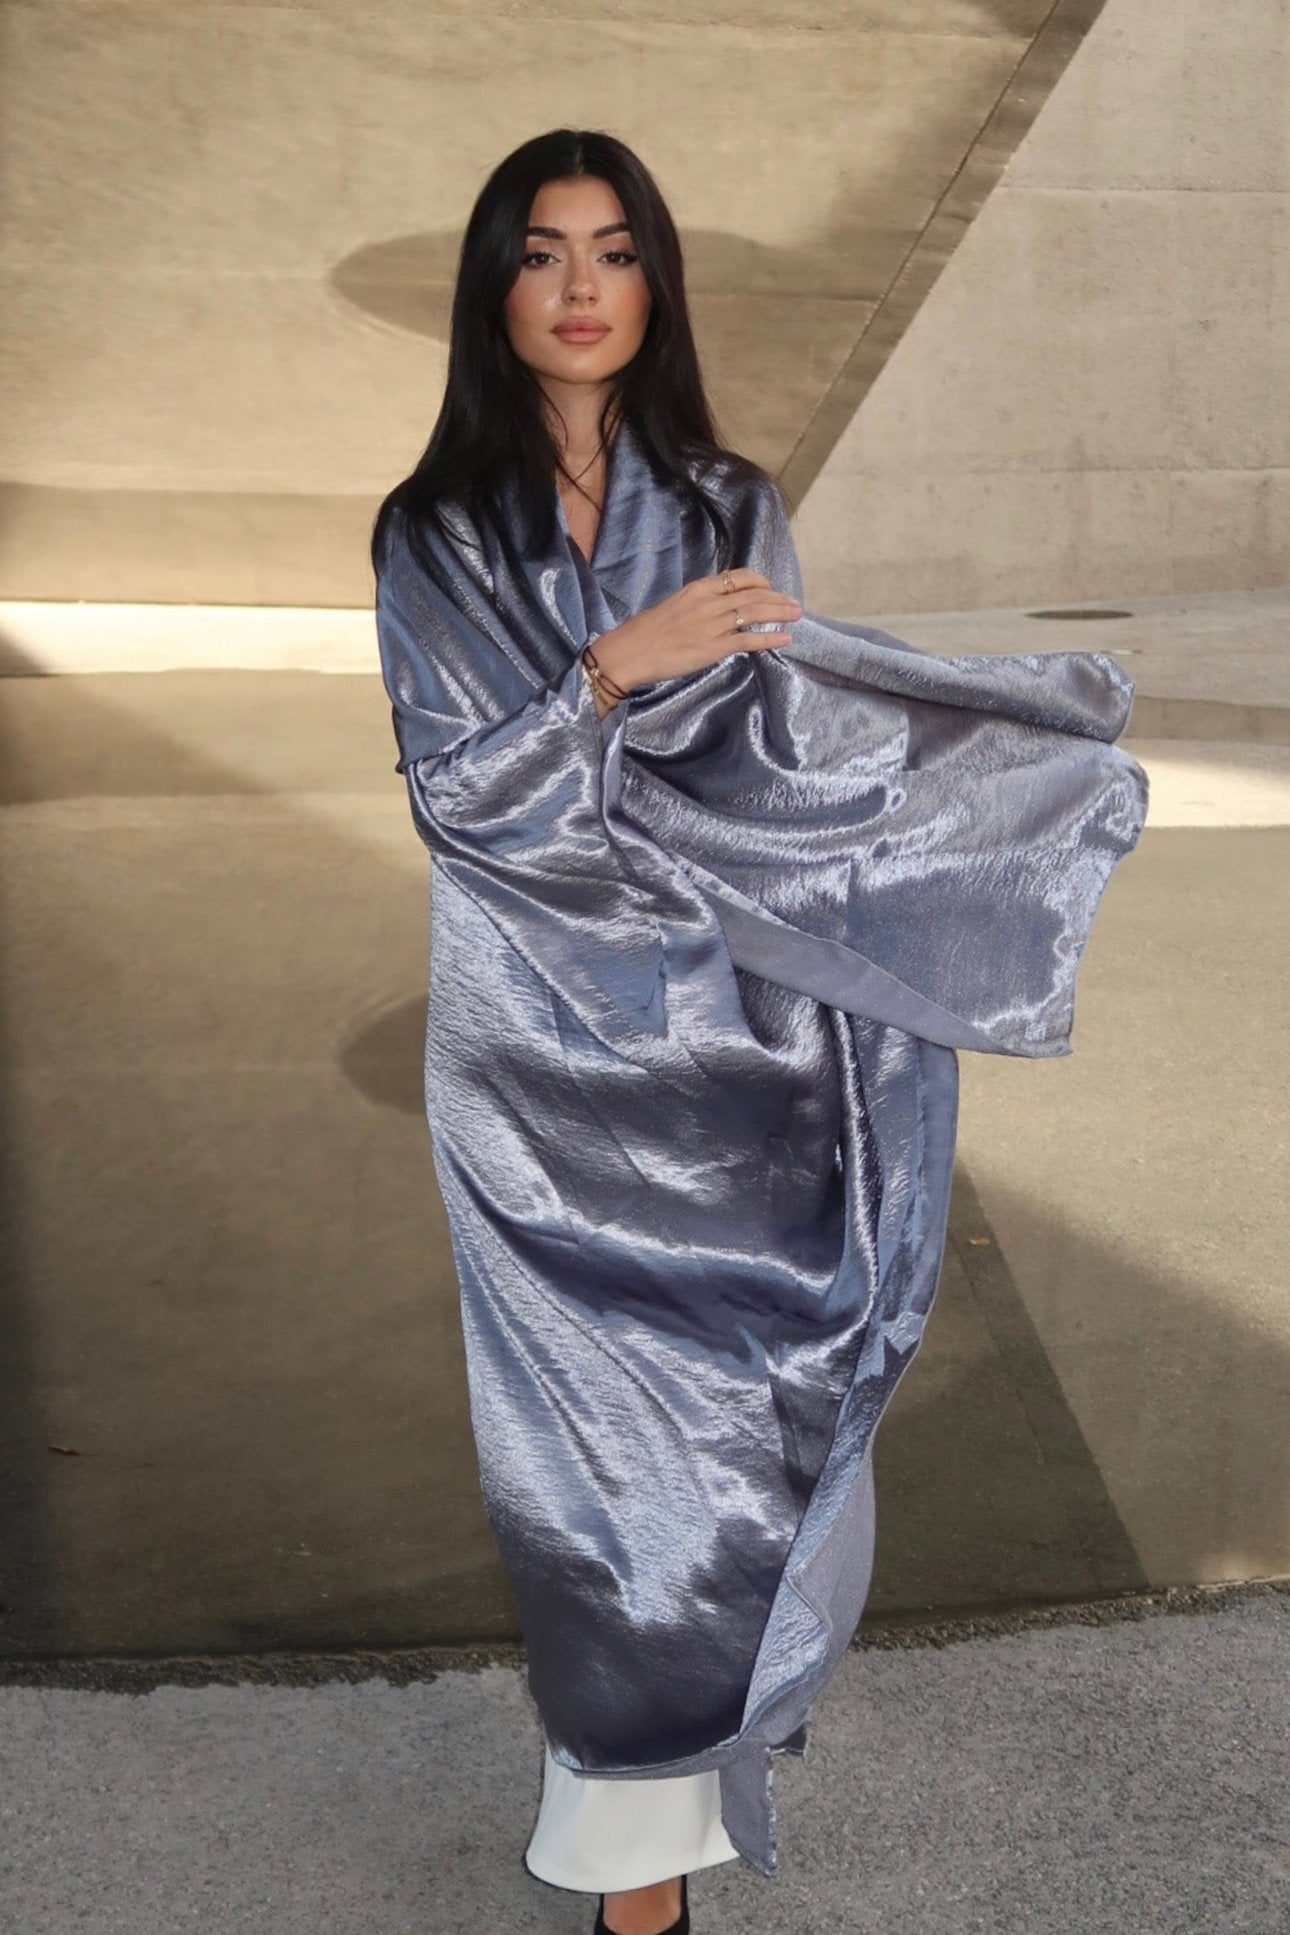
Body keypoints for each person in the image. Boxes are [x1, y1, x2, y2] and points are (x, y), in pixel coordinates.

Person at [372, 128, 1148, 1935]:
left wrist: (988, 795)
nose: (580, 286)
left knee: (745, 1437)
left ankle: (672, 1815)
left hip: (740, 1048)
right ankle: (632, 1870)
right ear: (495, 288)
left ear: (655, 284)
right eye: (542, 251)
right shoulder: (431, 530)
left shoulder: (729, 502)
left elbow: (781, 758)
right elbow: (461, 803)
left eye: (614, 250)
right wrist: (607, 673)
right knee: (596, 1472)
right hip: (542, 1071)